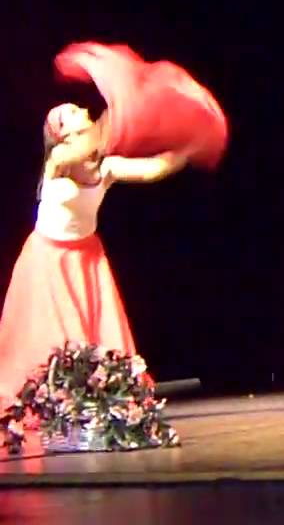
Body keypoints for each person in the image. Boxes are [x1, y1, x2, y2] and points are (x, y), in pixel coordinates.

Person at [0, 104, 194, 402]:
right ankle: (60, 401)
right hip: (49, 261)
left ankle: (97, 397)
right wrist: (115, 113)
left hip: (86, 257)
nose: (83, 109)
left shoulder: (105, 167)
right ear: (61, 133)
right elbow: (79, 148)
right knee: (59, 336)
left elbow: (155, 169)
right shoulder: (59, 161)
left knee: (96, 331)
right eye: (72, 113)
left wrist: (188, 146)